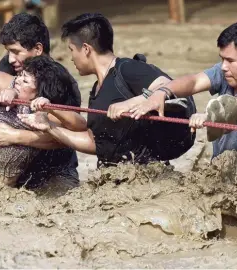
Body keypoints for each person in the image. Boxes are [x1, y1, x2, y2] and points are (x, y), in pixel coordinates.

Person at [19, 13, 197, 168]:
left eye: (71, 50)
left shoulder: (128, 68)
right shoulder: (97, 91)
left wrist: (131, 102)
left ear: (86, 49)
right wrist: (49, 127)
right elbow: (94, 143)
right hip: (116, 179)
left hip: (150, 176)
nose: (71, 57)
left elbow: (166, 86)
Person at [127, 21, 237, 159]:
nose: (223, 67)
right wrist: (161, 93)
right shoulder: (227, 71)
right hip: (228, 168)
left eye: (230, 60)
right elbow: (194, 81)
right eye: (222, 59)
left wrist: (210, 115)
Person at [0, 12, 84, 191]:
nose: (10, 59)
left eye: (15, 52)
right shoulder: (12, 66)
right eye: (8, 52)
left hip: (55, 171)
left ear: (37, 50)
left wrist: (15, 136)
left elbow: (71, 135)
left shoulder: (61, 81)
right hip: (17, 169)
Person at [0, 55, 85, 189]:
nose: (17, 80)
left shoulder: (40, 113)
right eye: (20, 75)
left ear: (38, 94)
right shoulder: (12, 87)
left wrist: (51, 110)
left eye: (25, 80)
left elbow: (79, 126)